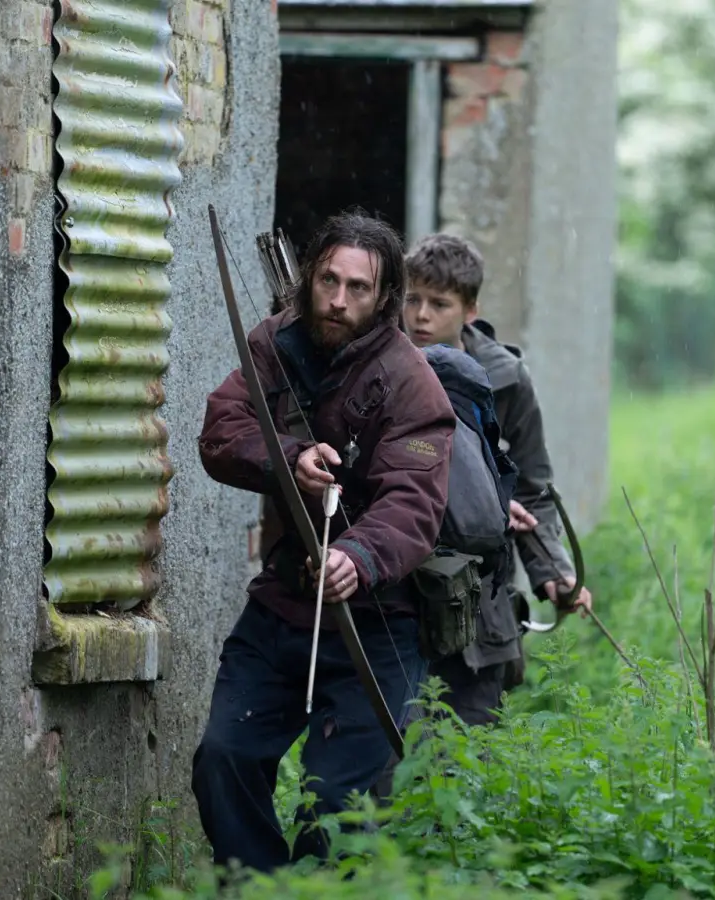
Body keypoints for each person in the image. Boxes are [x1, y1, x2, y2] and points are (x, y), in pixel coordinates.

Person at [193, 210, 456, 874]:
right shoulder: (273, 343)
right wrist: (286, 456)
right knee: (224, 759)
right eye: (329, 281)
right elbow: (223, 431)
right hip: (283, 603)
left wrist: (356, 557)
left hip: (377, 625)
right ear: (310, 277)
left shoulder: (409, 381)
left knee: (333, 808)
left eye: (358, 288)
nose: (338, 301)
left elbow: (413, 501)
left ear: (384, 296)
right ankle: (255, 889)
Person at [400, 231, 593, 725]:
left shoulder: (505, 380)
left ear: (469, 310)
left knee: (466, 753)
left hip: (480, 595)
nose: (421, 315)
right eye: (412, 299)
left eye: (438, 304)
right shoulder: (381, 366)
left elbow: (532, 490)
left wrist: (555, 573)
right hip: (397, 580)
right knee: (385, 763)